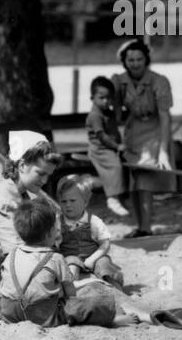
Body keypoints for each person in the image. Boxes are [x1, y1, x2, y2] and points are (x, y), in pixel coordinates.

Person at [0, 200, 145, 328]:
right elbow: (71, 294)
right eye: (56, 230)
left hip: (10, 312)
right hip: (43, 315)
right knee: (81, 307)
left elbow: (6, 284)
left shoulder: (12, 253)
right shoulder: (55, 258)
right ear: (49, 235)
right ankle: (114, 319)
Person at [0, 132, 62, 287]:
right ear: (21, 165)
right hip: (1, 280)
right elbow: (15, 254)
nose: (45, 181)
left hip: (18, 266)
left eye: (48, 176)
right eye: (40, 173)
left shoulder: (22, 193)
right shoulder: (4, 202)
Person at [111, 38, 174, 237]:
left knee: (145, 182)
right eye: (131, 60)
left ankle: (146, 228)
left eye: (139, 59)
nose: (135, 64)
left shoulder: (159, 81)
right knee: (134, 181)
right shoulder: (119, 81)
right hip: (132, 133)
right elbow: (114, 112)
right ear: (124, 62)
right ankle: (139, 226)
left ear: (146, 60)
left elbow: (165, 117)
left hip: (154, 131)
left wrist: (163, 151)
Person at [55, 175, 124, 287]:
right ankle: (72, 286)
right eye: (63, 201)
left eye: (72, 200)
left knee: (104, 264)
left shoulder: (93, 221)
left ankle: (114, 286)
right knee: (71, 263)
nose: (68, 205)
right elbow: (53, 245)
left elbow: (105, 244)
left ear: (85, 202)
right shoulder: (58, 222)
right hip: (70, 258)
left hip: (94, 257)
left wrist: (93, 258)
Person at [85, 76, 129, 217]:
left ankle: (122, 196)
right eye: (101, 98)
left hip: (110, 147)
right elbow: (102, 136)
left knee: (126, 166)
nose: (106, 101)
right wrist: (117, 146)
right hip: (101, 149)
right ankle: (112, 198)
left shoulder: (107, 112)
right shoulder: (95, 116)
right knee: (115, 166)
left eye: (109, 98)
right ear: (92, 97)